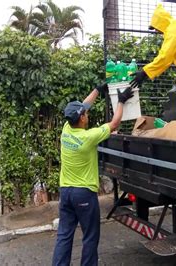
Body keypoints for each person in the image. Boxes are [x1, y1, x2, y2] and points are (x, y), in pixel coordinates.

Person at [52, 83, 134, 266]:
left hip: (65, 192)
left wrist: (97, 89)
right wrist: (121, 101)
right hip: (84, 194)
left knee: (64, 235)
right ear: (81, 119)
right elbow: (114, 124)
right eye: (85, 114)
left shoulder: (66, 129)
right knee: (90, 236)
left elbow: (84, 104)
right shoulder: (87, 138)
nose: (87, 114)